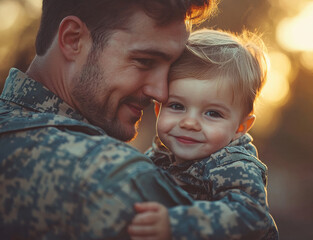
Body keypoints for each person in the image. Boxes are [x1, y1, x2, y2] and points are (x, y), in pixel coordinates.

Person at [0, 0, 217, 239]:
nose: (161, 93)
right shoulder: (118, 180)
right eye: (145, 61)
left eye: (172, 68)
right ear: (73, 39)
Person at [127, 29, 279, 239]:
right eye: (177, 106)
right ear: (158, 110)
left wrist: (176, 223)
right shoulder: (157, 157)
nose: (189, 123)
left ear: (240, 128)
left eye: (212, 113)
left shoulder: (234, 165)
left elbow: (251, 218)